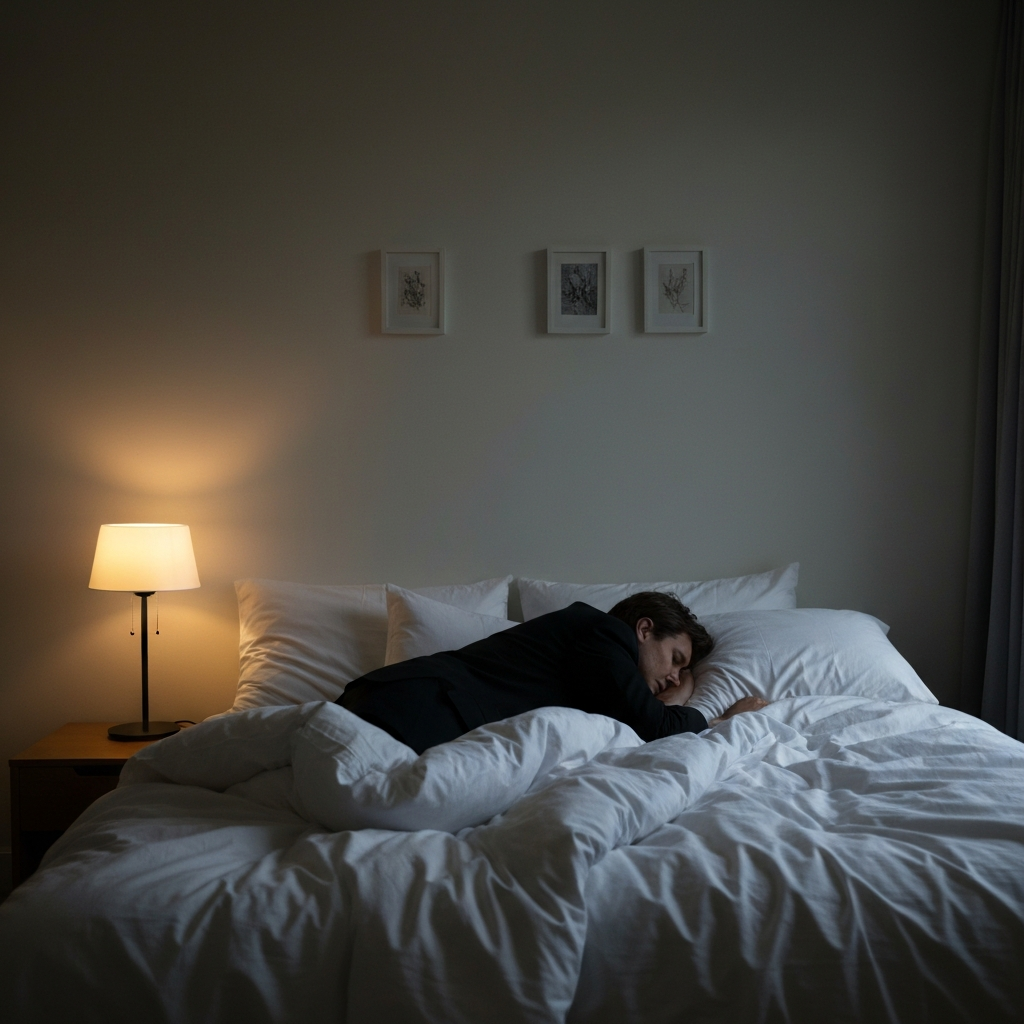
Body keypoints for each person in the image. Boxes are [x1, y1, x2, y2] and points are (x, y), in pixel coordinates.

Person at [338, 591, 767, 754]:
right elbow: (654, 726)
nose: (675, 675)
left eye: (682, 670)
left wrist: (668, 698)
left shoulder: (600, 672)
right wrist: (717, 717)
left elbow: (640, 722)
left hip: (415, 709)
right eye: (675, 659)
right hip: (412, 702)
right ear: (643, 630)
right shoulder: (605, 634)